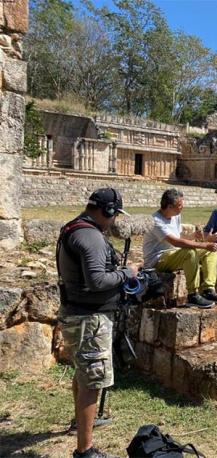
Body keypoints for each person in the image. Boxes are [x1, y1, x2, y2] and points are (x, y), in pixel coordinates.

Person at [57, 188, 135, 458]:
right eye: (114, 215)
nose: (113, 221)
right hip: (89, 319)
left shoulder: (74, 228)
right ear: (108, 211)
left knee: (84, 374)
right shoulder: (89, 236)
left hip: (77, 313)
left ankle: (81, 426)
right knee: (93, 381)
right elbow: (97, 281)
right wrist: (128, 273)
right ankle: (85, 450)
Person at [143, 189, 217, 308]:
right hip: (158, 260)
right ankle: (193, 295)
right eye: (180, 205)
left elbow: (177, 236)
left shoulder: (175, 215)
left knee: (210, 251)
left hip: (173, 254)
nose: (182, 207)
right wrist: (204, 245)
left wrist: (194, 236)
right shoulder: (156, 221)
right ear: (169, 206)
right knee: (190, 252)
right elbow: (176, 242)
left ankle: (208, 290)